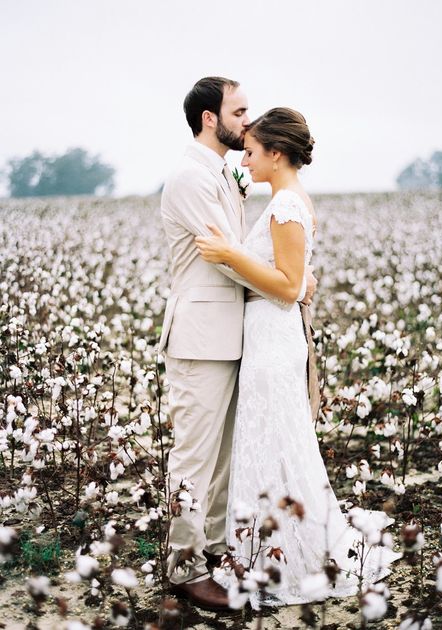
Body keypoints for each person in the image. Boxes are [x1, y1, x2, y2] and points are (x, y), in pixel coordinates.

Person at [195, 107, 402, 607]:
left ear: (276, 153)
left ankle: (283, 555)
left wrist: (230, 255)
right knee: (277, 440)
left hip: (272, 336)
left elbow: (288, 288)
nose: (244, 159)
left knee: (274, 439)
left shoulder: (286, 205)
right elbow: (300, 279)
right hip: (268, 334)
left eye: (250, 151)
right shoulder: (286, 200)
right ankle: (274, 545)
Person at [158, 79, 316, 611]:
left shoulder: (224, 174)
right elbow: (222, 254)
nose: (248, 122)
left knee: (223, 457)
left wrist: (291, 278)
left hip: (235, 335)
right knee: (194, 458)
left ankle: (217, 552)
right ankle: (182, 567)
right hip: (202, 337)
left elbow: (247, 253)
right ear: (209, 118)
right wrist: (293, 284)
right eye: (240, 111)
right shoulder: (189, 177)